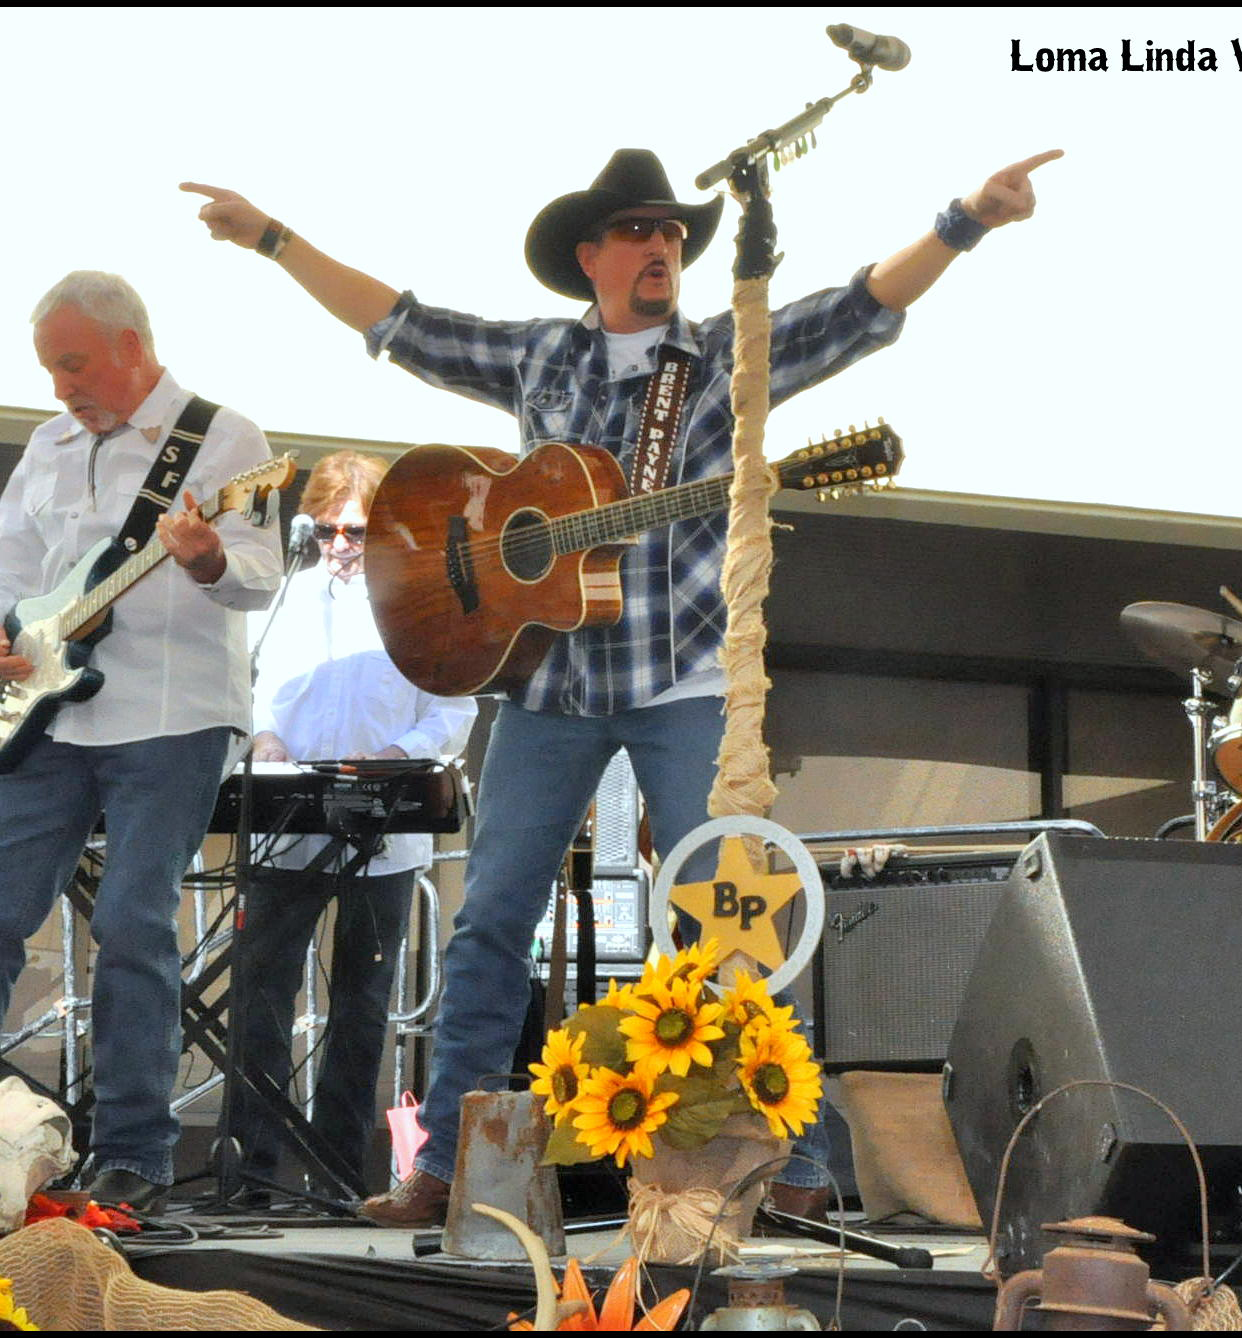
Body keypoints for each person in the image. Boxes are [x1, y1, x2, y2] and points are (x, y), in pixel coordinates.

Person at [181, 142, 1062, 1226]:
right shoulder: (540, 356)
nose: (661, 245)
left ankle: (791, 1161)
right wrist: (273, 239)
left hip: (680, 678)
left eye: (672, 232)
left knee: (731, 916)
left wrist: (965, 218)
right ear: (589, 255)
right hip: (545, 686)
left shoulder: (723, 354)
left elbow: (857, 309)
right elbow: (400, 324)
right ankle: (449, 1167)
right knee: (489, 921)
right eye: (638, 230)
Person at [0, 271, 283, 1213]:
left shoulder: (226, 440)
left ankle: (135, 1152)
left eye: (74, 364)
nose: (62, 387)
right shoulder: (48, 444)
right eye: (50, 370)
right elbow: (5, 563)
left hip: (173, 715)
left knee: (133, 924)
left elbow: (259, 573)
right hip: (51, 713)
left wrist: (208, 557)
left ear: (131, 346)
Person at [228, 450, 475, 1195]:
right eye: (326, 528)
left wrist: (397, 755)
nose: (339, 544)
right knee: (260, 998)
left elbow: (454, 706)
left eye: (357, 531)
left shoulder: (421, 602)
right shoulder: (277, 600)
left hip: (385, 828)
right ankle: (252, 1174)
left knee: (361, 1007)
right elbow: (238, 684)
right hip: (286, 820)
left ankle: (337, 1177)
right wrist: (261, 735)